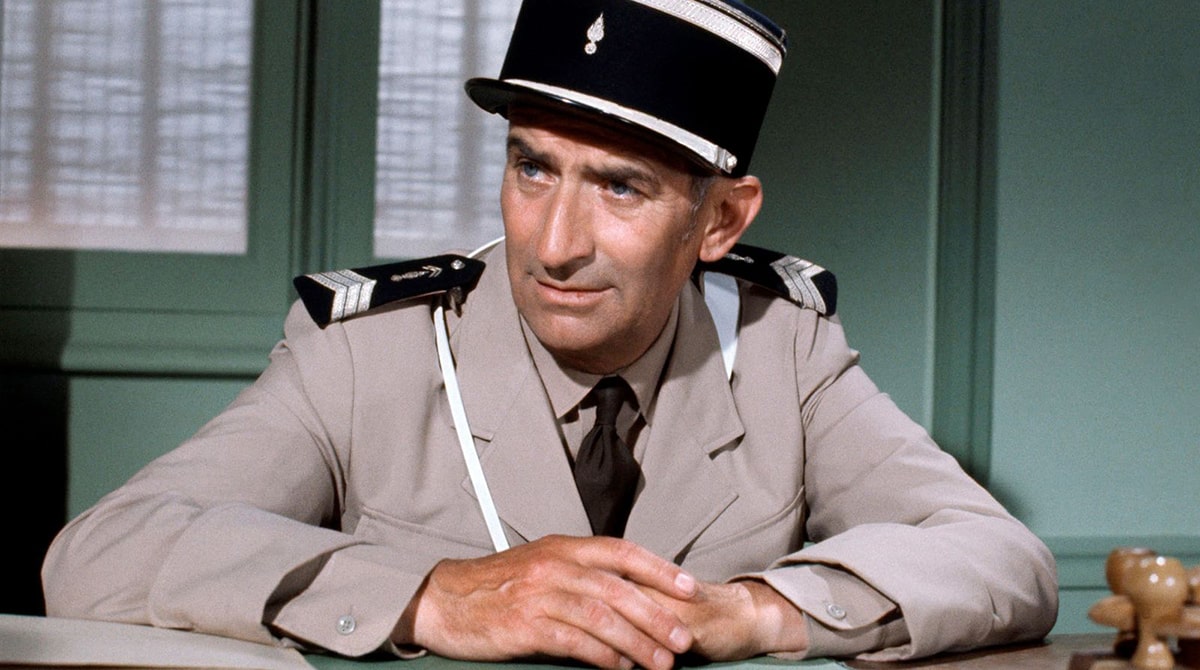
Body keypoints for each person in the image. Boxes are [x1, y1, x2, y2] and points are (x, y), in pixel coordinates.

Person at [42, 0, 1058, 667]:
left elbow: (1001, 557)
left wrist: (755, 610)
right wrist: (430, 597)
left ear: (720, 221)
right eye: (533, 167)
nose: (555, 243)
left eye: (620, 187)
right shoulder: (366, 350)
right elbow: (99, 553)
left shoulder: (782, 347)